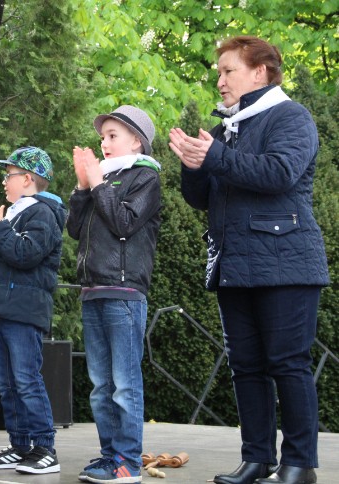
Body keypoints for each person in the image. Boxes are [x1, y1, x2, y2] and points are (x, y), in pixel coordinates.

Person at [169, 36, 328, 484]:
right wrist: (192, 164)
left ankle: (300, 464)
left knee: (288, 364)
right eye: (218, 73)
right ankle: (257, 459)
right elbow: (202, 199)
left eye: (228, 71)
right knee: (246, 368)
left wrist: (215, 155)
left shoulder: (291, 116)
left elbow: (279, 173)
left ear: (260, 72)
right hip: (235, 263)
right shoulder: (225, 128)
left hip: (286, 264)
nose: (219, 81)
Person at [66, 106, 161, 484]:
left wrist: (97, 185)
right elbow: (75, 229)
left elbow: (124, 223)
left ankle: (128, 462)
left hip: (124, 293)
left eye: (112, 135)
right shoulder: (101, 179)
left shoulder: (145, 177)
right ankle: (110, 456)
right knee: (101, 387)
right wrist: (81, 188)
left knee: (124, 384)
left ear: (136, 141)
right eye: (102, 136)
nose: (104, 143)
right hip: (93, 291)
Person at [0, 146, 66, 475]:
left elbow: (24, 253)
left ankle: (44, 448)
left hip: (24, 310)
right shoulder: (13, 215)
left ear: (28, 178)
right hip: (0, 308)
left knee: (25, 380)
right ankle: (20, 445)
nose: (4, 181)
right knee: (5, 383)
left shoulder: (43, 213)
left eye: (10, 175)